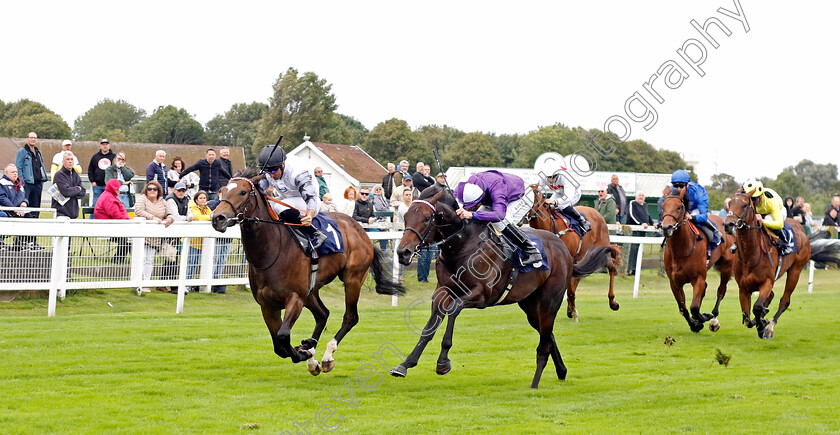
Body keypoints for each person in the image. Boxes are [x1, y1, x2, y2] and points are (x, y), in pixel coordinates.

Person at [453, 170, 542, 267]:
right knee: (478, 220)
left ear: (481, 197)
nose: (469, 208)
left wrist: (471, 214)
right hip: (495, 195)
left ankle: (531, 251)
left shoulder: (497, 188)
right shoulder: (463, 187)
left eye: (472, 205)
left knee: (500, 222)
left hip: (521, 195)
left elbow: (499, 215)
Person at [256, 144, 327, 249]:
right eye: (268, 172)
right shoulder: (269, 171)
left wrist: (310, 215)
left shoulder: (297, 172)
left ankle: (315, 233)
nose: (270, 175)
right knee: (265, 205)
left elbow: (310, 196)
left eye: (273, 171)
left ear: (283, 164)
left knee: (278, 207)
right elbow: (259, 187)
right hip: (287, 199)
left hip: (308, 201)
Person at [133, 180, 174, 293]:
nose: (151, 191)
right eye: (149, 189)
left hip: (155, 237)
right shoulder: (142, 199)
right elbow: (139, 211)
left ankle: (146, 282)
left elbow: (169, 213)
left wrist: (170, 218)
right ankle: (138, 282)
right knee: (141, 258)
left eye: (154, 189)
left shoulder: (163, 201)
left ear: (158, 191)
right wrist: (152, 218)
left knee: (149, 260)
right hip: (142, 234)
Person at [671, 169, 722, 258]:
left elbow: (703, 216)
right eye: (675, 186)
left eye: (681, 186)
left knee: (695, 217)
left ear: (687, 185)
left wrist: (691, 217)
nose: (678, 189)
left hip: (695, 208)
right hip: (682, 208)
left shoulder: (699, 192)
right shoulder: (672, 191)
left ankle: (714, 234)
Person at [742, 179, 792, 255]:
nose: (752, 201)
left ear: (760, 196)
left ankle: (785, 243)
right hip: (762, 212)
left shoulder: (771, 201)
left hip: (778, 210)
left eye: (754, 199)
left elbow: (779, 224)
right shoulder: (751, 201)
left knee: (768, 219)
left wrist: (763, 221)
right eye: (750, 198)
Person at [538, 165, 591, 234]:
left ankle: (582, 220)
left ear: (557, 175)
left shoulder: (566, 178)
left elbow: (568, 196)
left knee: (561, 206)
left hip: (573, 193)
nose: (550, 180)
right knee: (548, 206)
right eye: (549, 177)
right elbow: (538, 190)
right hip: (559, 192)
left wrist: (554, 202)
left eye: (553, 177)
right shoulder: (543, 177)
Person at [94, 178, 131, 262]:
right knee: (128, 237)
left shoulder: (109, 195)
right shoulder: (109, 198)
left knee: (129, 237)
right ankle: (119, 260)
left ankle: (119, 259)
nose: (118, 190)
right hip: (108, 227)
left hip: (111, 225)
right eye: (117, 188)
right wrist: (128, 221)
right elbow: (116, 215)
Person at [15, 132, 47, 219]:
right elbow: (18, 167)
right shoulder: (22, 152)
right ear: (27, 139)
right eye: (31, 137)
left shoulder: (38, 152)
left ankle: (34, 226)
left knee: (36, 208)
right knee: (24, 206)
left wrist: (42, 180)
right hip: (27, 184)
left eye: (35, 138)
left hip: (38, 183)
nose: (33, 139)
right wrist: (22, 182)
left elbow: (41, 166)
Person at [187, 190, 212, 292]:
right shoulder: (193, 207)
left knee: (196, 263)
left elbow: (212, 215)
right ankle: (187, 283)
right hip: (192, 241)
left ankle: (190, 284)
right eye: (201, 198)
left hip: (201, 242)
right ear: (196, 200)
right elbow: (197, 217)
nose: (203, 200)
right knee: (190, 263)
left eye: (204, 198)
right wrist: (209, 217)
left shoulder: (207, 208)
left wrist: (208, 217)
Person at [52, 151, 86, 219]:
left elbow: (83, 193)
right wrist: (77, 189)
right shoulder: (59, 175)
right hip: (61, 213)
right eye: (68, 159)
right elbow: (66, 192)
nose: (70, 161)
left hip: (73, 214)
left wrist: (72, 192)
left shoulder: (76, 175)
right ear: (63, 161)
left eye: (71, 159)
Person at [627, 192, 654, 275]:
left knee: (639, 249)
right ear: (636, 196)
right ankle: (629, 269)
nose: (641, 197)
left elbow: (647, 215)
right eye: (639, 195)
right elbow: (632, 215)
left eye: (642, 196)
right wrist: (640, 223)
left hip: (642, 231)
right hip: (634, 230)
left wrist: (653, 223)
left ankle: (636, 269)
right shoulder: (633, 203)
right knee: (633, 249)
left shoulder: (645, 205)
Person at [88, 138, 116, 207]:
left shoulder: (114, 157)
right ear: (100, 146)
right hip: (98, 186)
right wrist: (93, 181)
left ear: (109, 146)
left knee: (110, 205)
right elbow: (90, 170)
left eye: (106, 144)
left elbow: (117, 170)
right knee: (96, 205)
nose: (105, 146)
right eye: (103, 144)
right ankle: (93, 218)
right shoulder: (95, 157)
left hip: (110, 186)